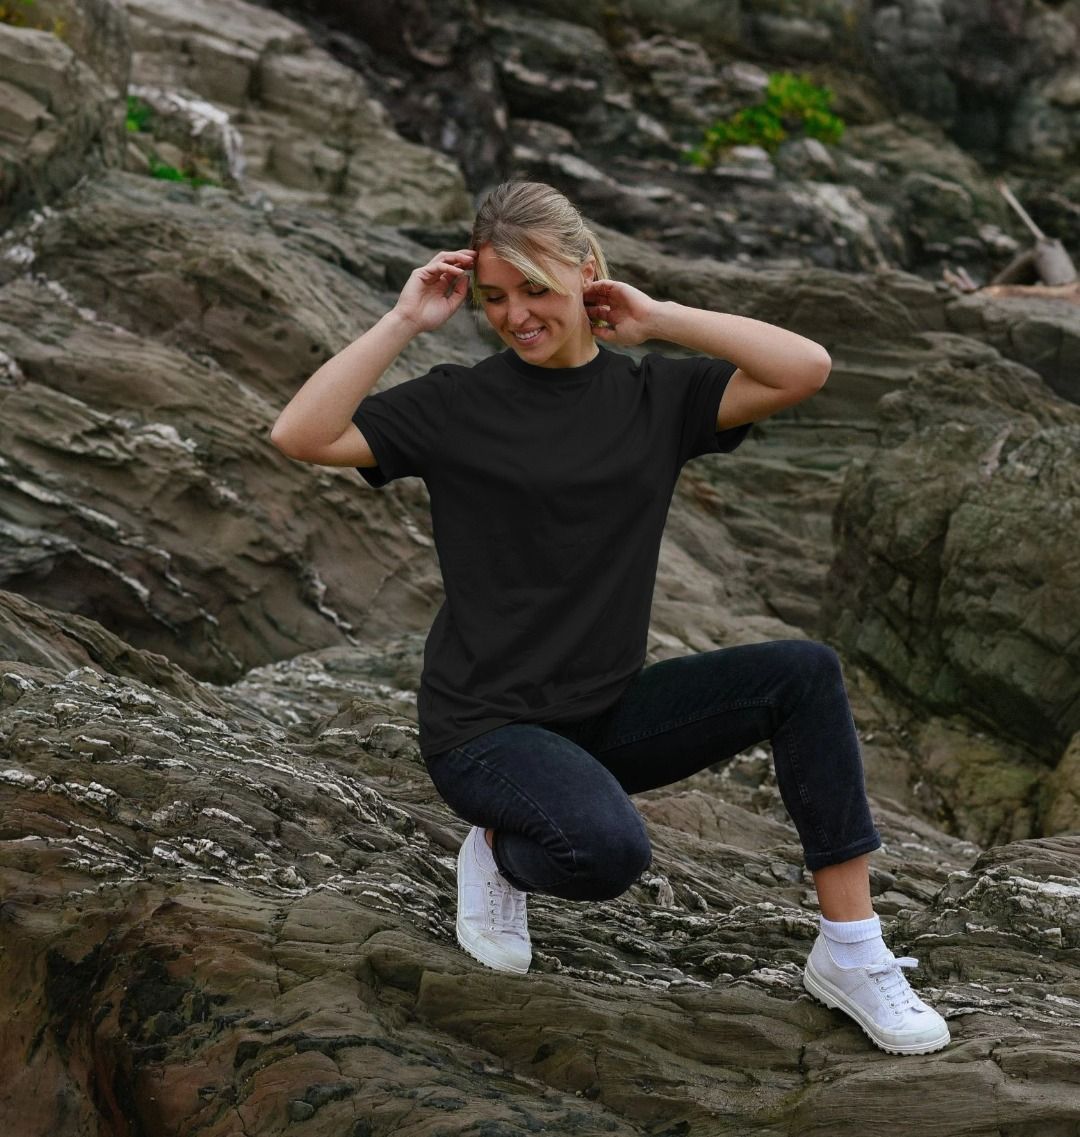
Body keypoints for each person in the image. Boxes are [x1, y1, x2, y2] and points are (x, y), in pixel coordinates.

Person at [270, 179, 950, 1057]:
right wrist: (405, 321)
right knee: (607, 854)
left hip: (606, 712)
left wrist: (660, 315)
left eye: (537, 291)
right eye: (495, 298)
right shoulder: (457, 402)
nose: (516, 315)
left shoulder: (652, 398)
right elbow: (301, 434)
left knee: (804, 672)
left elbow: (805, 367)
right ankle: (500, 852)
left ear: (587, 273)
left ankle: (852, 951)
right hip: (485, 727)